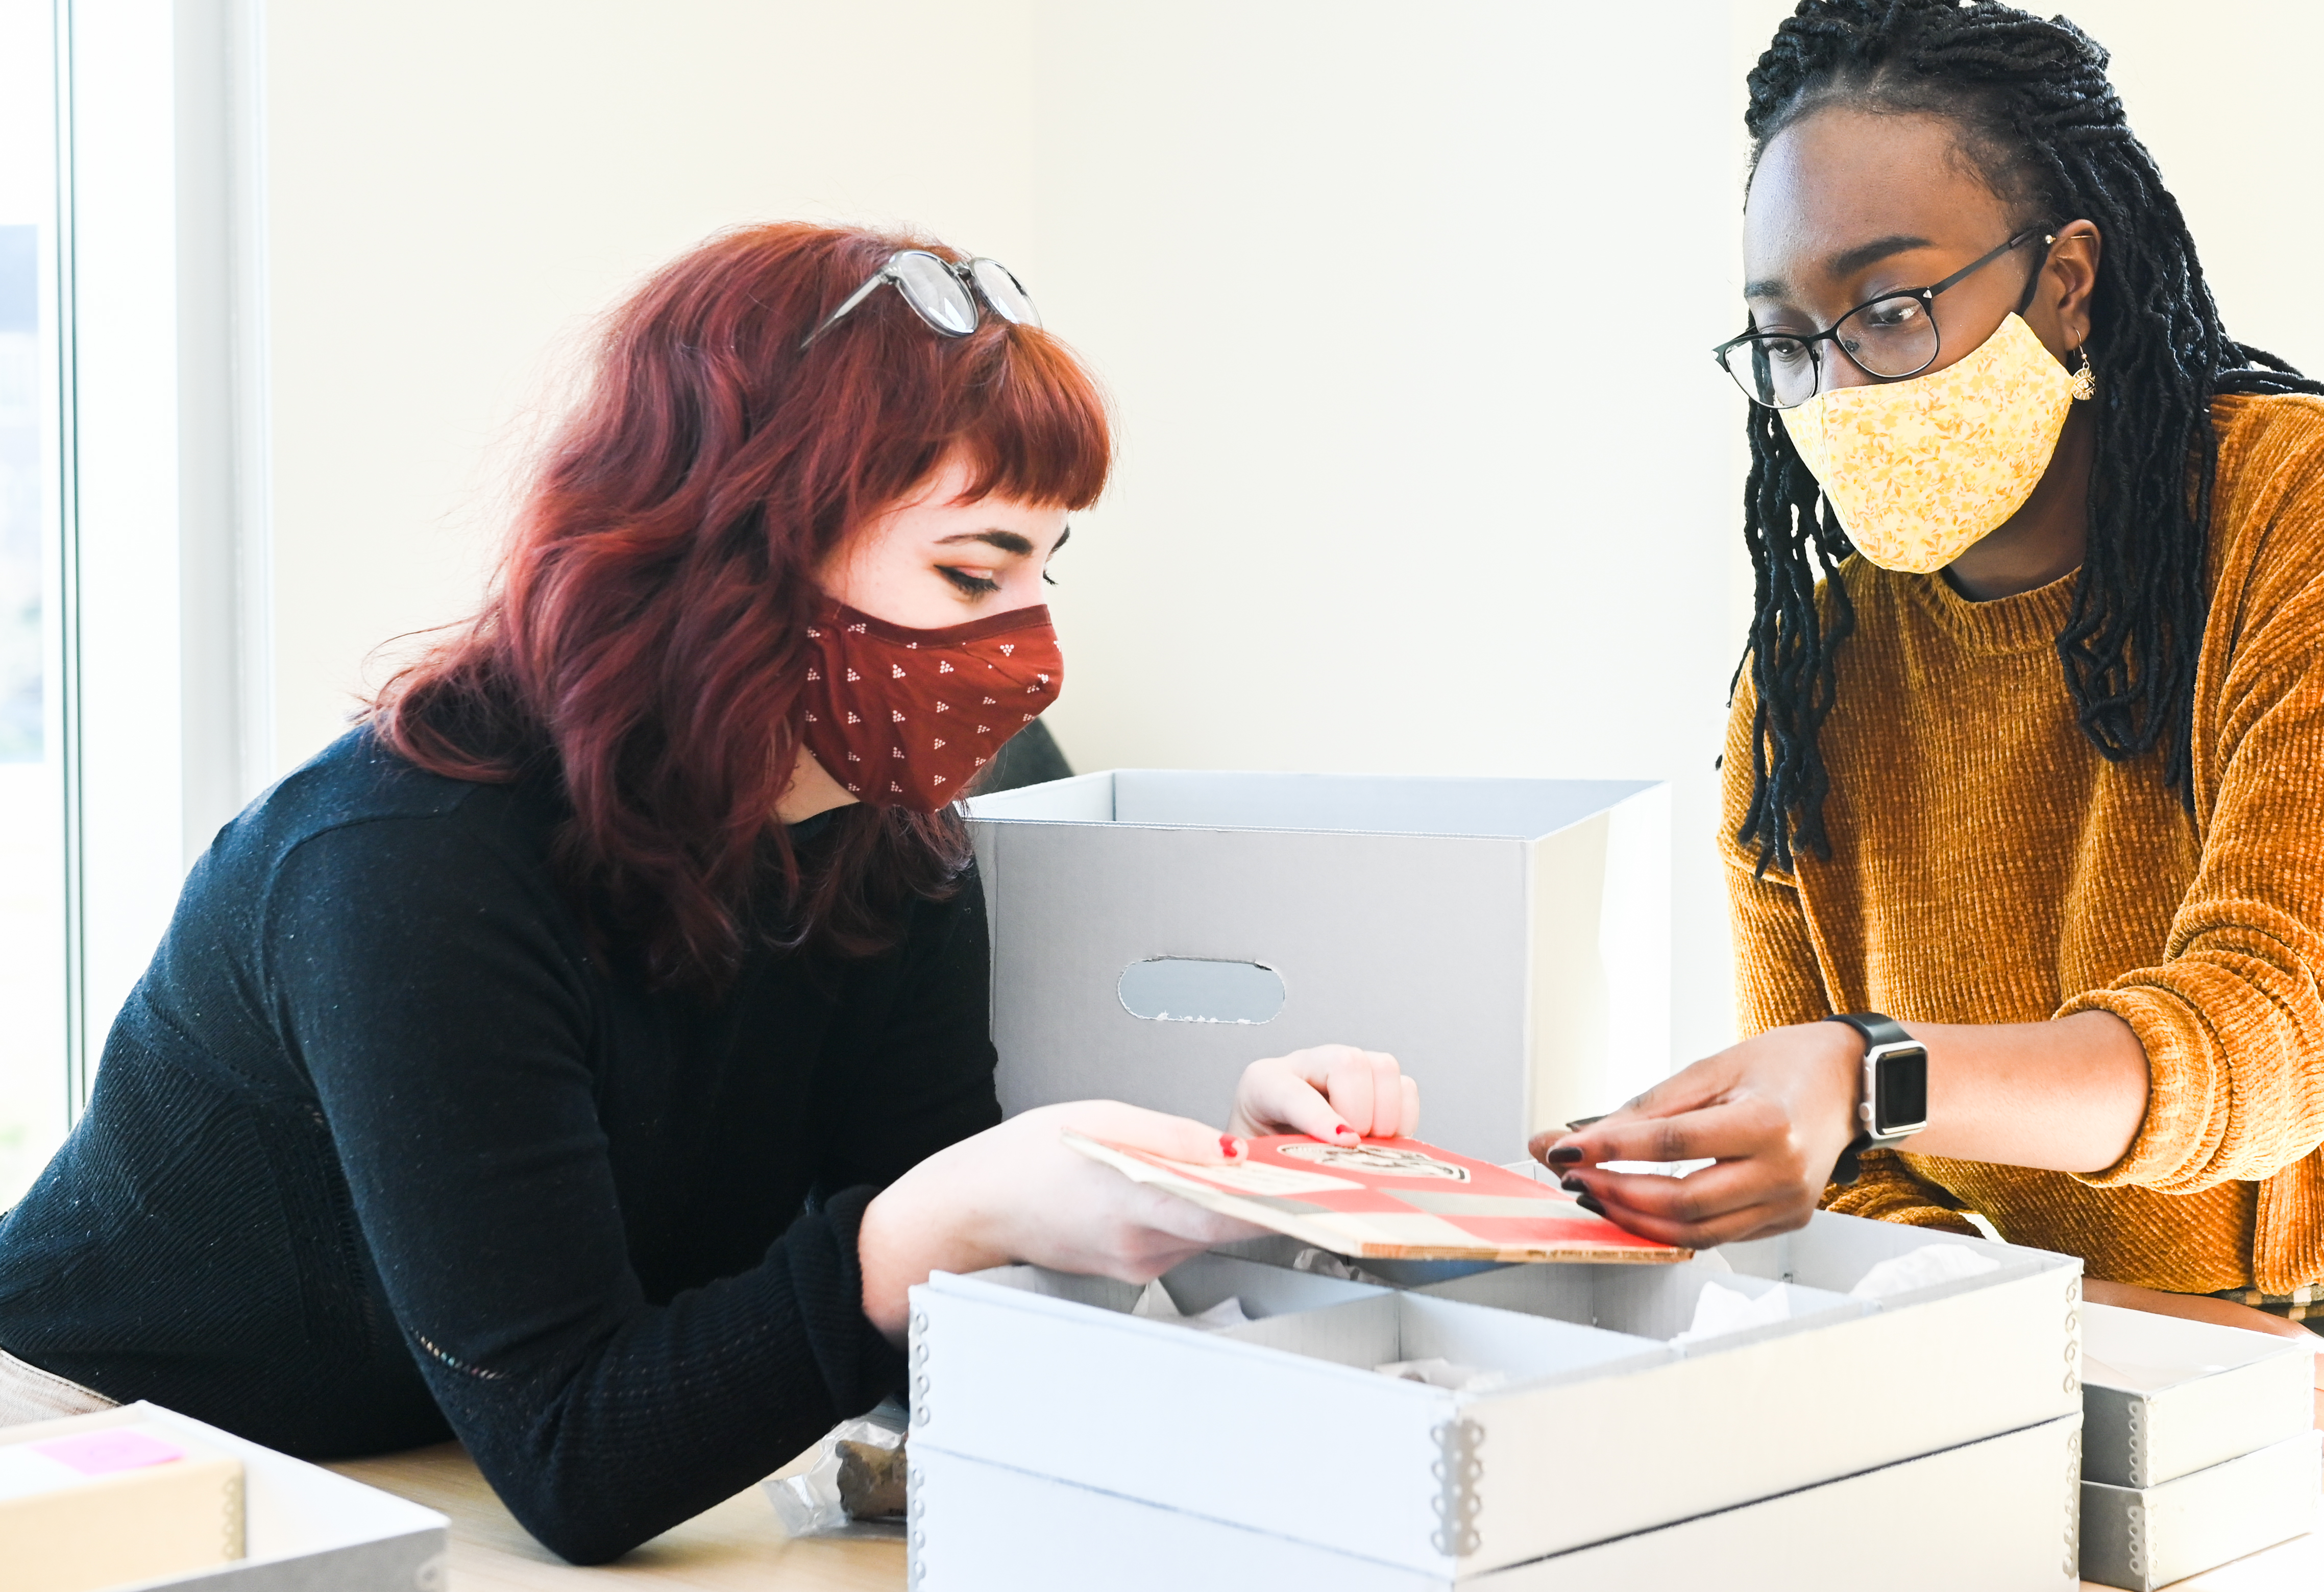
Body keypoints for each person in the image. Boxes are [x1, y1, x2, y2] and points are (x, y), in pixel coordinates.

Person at [0, 224, 1417, 1561]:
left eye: (1045, 572)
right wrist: (938, 1222)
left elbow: (920, 1292)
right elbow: (579, 1453)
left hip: (426, 1459)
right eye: (974, 568)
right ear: (737, 547)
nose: (1030, 650)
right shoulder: (402, 865)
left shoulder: (890, 834)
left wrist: (1211, 1180)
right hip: (113, 1465)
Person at [1534, 0, 2324, 1448]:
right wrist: (2094, 1326)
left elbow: (2268, 1041)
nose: (1834, 389)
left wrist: (1870, 1074)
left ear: (2067, 281)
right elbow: (1867, 1187)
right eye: (1787, 340)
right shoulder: (1806, 688)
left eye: (1887, 308)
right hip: (2088, 1336)